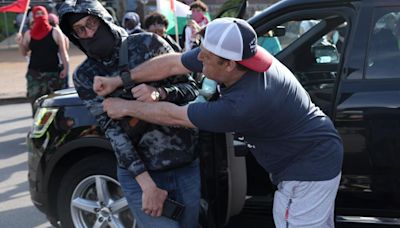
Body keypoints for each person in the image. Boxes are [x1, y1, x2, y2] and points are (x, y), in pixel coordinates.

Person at [95, 18, 344, 228]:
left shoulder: (246, 103)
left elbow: (175, 115)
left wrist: (125, 106)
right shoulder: (242, 55)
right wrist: (119, 80)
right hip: (312, 153)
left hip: (307, 169)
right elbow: (174, 62)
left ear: (229, 64)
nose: (199, 57)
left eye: (206, 57)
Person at [57, 1, 200, 227]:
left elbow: (193, 90)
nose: (89, 33)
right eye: (80, 30)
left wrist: (160, 92)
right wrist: (147, 185)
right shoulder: (85, 75)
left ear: (104, 19)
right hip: (140, 174)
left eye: (91, 23)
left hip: (184, 164)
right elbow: (113, 132)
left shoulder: (148, 43)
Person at [15, 5, 69, 115]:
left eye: (42, 13)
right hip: (35, 75)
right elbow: (24, 53)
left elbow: (63, 52)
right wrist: (20, 43)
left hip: (54, 74)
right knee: (36, 105)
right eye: (37, 14)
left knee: (57, 106)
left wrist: (66, 68)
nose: (40, 16)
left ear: (46, 15)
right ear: (33, 17)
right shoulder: (29, 34)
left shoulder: (55, 32)